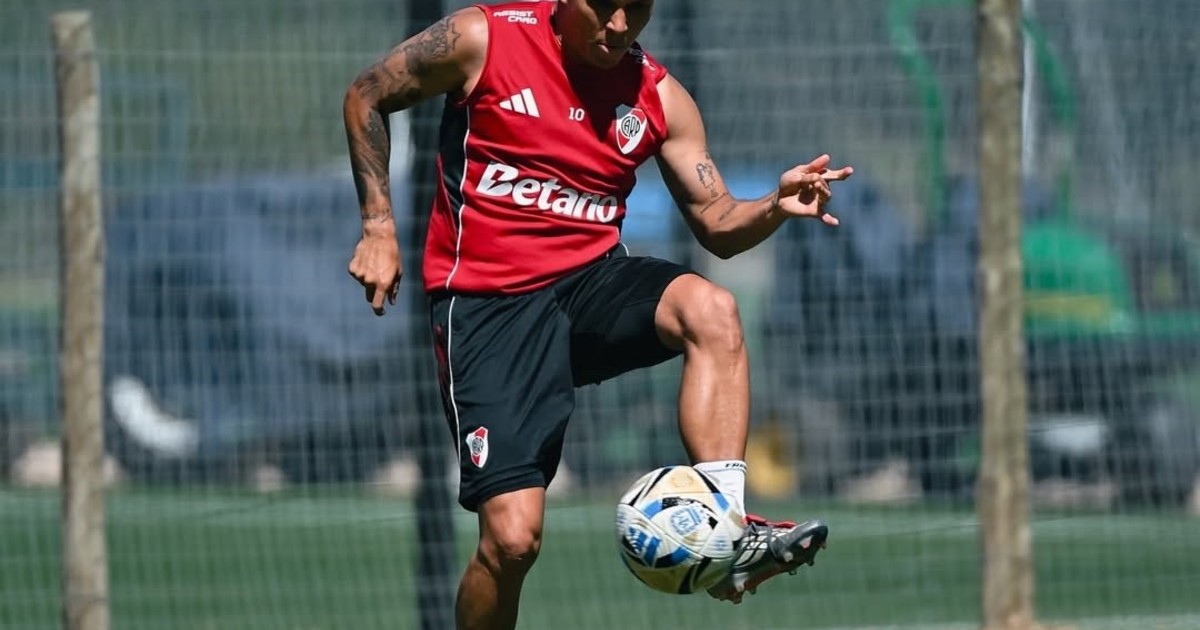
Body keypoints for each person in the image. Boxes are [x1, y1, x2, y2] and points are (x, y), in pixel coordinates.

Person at [343, 0, 853, 627]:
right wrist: (378, 228)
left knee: (712, 308)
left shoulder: (659, 97)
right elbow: (365, 97)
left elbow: (717, 222)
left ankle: (727, 536)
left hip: (589, 285)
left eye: (636, 8)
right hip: (489, 307)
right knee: (512, 541)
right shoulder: (482, 39)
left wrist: (775, 204)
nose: (619, 24)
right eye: (604, 4)